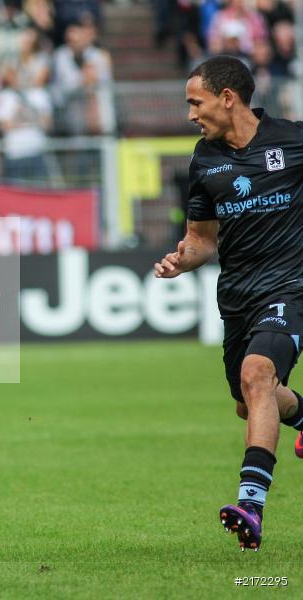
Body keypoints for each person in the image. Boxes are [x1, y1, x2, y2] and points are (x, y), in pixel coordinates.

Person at [154, 55, 303, 552]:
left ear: (227, 97)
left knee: (258, 374)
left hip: (289, 289)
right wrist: (181, 260)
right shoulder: (204, 158)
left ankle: (251, 505)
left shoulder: (292, 140)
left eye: (195, 102)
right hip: (237, 295)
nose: (191, 114)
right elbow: (201, 239)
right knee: (249, 401)